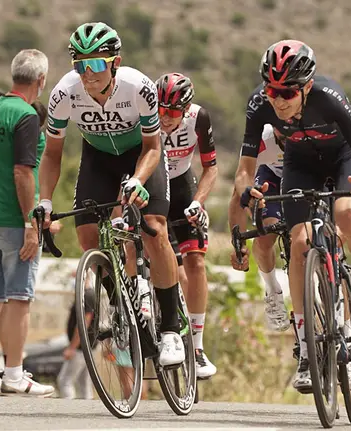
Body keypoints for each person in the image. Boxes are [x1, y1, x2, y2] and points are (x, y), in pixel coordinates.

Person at [237, 39, 351, 391]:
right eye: (271, 89)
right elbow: (244, 169)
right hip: (299, 164)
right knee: (300, 242)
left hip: (342, 159)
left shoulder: (329, 98)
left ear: (306, 87)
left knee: (347, 212)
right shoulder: (259, 104)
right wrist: (248, 191)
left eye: (287, 93)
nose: (277, 99)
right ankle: (307, 349)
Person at [39, 22, 186, 367]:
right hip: (98, 158)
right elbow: (51, 155)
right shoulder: (64, 94)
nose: (87, 74)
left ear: (115, 62)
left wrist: (137, 180)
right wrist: (44, 200)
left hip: (141, 155)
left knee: (154, 227)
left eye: (96, 64)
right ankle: (121, 300)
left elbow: (153, 146)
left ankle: (170, 329)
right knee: (88, 236)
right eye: (80, 65)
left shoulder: (139, 88)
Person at [0, 49, 55, 397]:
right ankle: (15, 373)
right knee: (19, 298)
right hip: (13, 219)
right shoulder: (27, 116)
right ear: (41, 80)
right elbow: (23, 171)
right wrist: (30, 222)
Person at [155, 72, 218, 378]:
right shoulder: (145, 115)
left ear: (186, 109)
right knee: (167, 260)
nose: (165, 118)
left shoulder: (199, 118)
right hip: (154, 185)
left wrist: (198, 201)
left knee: (196, 261)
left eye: (172, 113)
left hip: (182, 185)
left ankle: (197, 344)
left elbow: (210, 168)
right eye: (161, 110)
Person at [228, 124, 289, 332]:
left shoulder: (309, 131)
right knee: (265, 236)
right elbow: (238, 195)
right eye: (282, 131)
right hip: (271, 178)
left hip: (307, 176)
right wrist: (239, 245)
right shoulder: (263, 139)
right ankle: (272, 289)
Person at [58, 272, 95, 400]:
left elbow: (83, 323)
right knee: (84, 383)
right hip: (86, 347)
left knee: (65, 380)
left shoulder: (87, 296)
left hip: (81, 348)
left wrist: (72, 347)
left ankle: (69, 408)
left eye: (74, 278)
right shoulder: (85, 295)